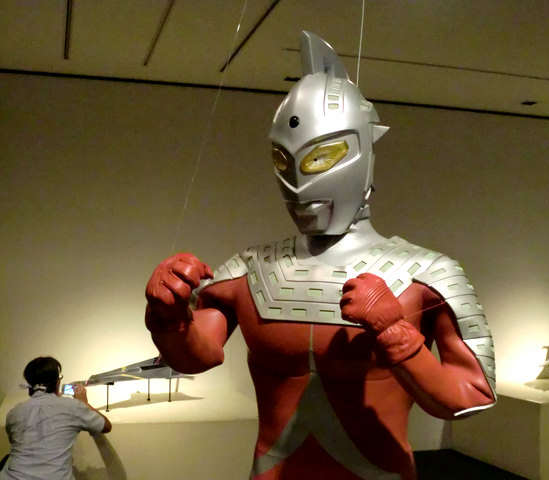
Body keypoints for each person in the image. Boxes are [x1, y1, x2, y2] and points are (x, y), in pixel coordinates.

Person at [145, 32, 496, 480]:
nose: (298, 180)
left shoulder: (427, 273)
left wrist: (397, 335)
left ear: (362, 152)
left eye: (320, 158)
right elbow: (194, 357)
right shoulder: (251, 269)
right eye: (283, 160)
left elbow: (471, 396)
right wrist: (169, 316)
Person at [0, 356, 111, 480]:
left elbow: (17, 442)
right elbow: (106, 426)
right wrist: (83, 403)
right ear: (57, 383)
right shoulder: (72, 407)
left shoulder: (14, 412)